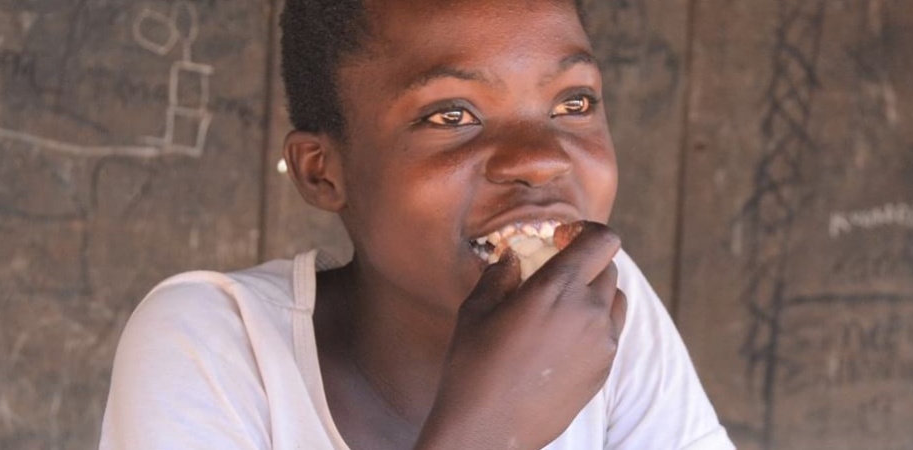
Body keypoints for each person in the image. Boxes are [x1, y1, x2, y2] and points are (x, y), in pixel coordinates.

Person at [99, 0, 732, 447]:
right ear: (323, 173)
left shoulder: (603, 306)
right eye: (452, 116)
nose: (541, 159)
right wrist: (490, 429)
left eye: (574, 103)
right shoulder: (220, 346)